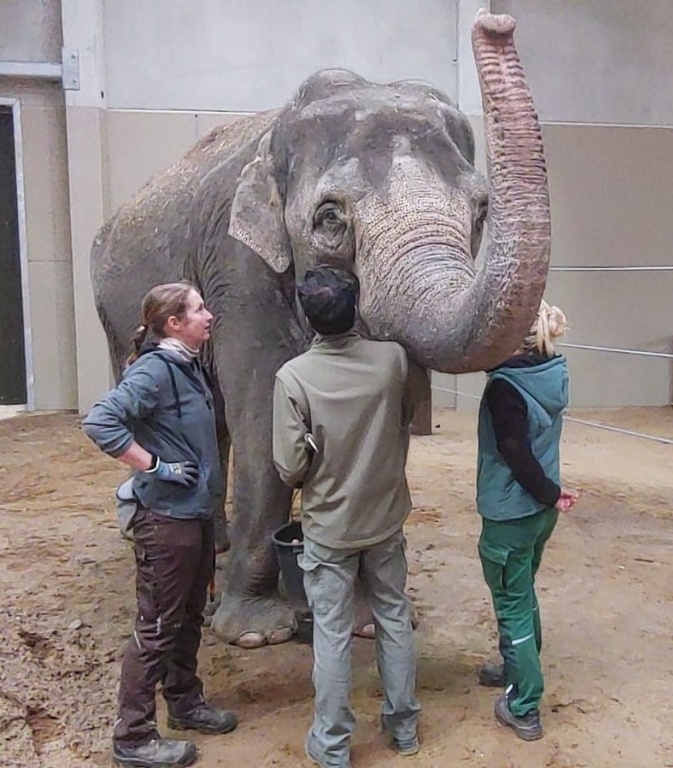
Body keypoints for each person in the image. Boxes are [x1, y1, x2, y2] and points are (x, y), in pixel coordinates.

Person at [272, 266, 421, 768]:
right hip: (384, 517)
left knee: (332, 634)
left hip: (329, 527)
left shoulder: (293, 377)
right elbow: (407, 413)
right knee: (394, 616)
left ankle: (333, 745)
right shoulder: (392, 360)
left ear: (306, 315)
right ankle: (403, 729)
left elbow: (289, 467)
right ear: (356, 305)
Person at [83, 282, 237, 768]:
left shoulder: (187, 367)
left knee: (189, 616)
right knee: (156, 626)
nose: (209, 315)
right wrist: (153, 465)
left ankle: (185, 702)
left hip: (193, 517)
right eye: (198, 309)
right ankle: (132, 736)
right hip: (167, 522)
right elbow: (101, 422)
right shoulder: (155, 371)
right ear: (173, 323)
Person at [474, 299, 578, 742]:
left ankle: (524, 704)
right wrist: (551, 496)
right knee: (522, 591)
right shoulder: (552, 371)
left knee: (512, 603)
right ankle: (514, 666)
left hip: (512, 513)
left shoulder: (505, 388)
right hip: (538, 513)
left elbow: (515, 453)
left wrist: (550, 493)